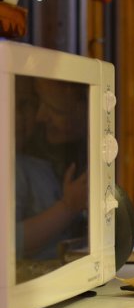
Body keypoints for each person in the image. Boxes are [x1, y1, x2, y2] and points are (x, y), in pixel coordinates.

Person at [15, 76, 88, 263]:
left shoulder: (43, 158)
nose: (40, 116)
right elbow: (10, 241)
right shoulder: (17, 168)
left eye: (26, 104)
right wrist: (67, 207)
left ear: (84, 111)